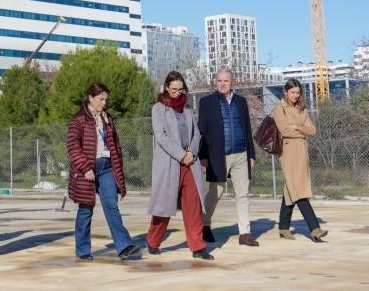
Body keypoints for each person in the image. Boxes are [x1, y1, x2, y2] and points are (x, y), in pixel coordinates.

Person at [66, 83, 140, 261]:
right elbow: (73, 146)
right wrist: (85, 168)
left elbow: (115, 146)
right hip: (87, 171)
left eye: (106, 99)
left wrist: (118, 171)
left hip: (107, 168)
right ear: (90, 98)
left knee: (111, 206)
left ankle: (124, 247)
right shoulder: (79, 120)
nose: (104, 102)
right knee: (85, 210)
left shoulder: (108, 119)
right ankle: (83, 251)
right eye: (101, 99)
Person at [146, 71, 214, 260]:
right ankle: (153, 240)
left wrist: (191, 153)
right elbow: (161, 137)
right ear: (167, 88)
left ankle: (198, 246)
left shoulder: (187, 109)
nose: (177, 92)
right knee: (164, 206)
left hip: (189, 163)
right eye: (173, 89)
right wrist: (181, 155)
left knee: (193, 205)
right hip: (170, 163)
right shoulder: (158, 109)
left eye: (180, 89)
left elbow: (197, 134)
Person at [197, 68, 258, 247]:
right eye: (219, 81)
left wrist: (251, 155)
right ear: (215, 82)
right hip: (217, 155)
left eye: (226, 81)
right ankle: (205, 224)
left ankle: (245, 233)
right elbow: (202, 131)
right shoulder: (207, 102)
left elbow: (247, 129)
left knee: (243, 194)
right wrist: (202, 155)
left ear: (232, 83)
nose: (222, 84)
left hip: (241, 154)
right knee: (216, 192)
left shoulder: (241, 102)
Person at [273, 79, 328, 242]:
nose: (295, 96)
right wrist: (301, 131)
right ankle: (314, 228)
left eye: (298, 93)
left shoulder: (301, 108)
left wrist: (297, 128)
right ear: (285, 92)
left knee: (292, 187)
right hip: (288, 151)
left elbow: (313, 130)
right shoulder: (279, 108)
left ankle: (283, 227)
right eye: (292, 92)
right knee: (298, 188)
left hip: (301, 151)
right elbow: (284, 130)